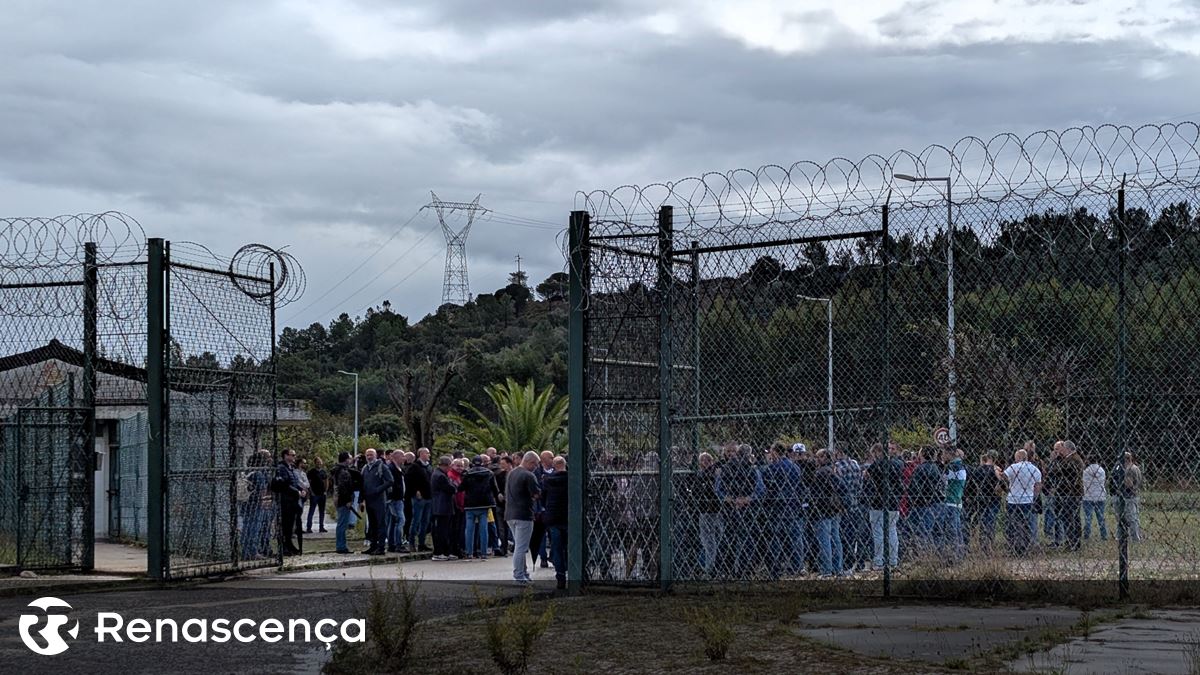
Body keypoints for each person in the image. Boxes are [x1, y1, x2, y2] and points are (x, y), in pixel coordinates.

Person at [761, 442, 805, 578]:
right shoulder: (795, 467)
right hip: (792, 506)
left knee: (775, 540)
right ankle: (797, 566)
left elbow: (767, 488)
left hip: (776, 507)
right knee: (795, 539)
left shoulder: (771, 469)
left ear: (775, 452)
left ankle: (776, 568)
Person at [864, 442, 902, 570]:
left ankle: (879, 561)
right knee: (892, 531)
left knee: (878, 533)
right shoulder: (897, 465)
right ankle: (893, 560)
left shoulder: (875, 466)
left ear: (878, 452)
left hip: (877, 503)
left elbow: (866, 478)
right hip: (893, 502)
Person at [506, 451, 542, 584]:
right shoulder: (529, 475)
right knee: (521, 547)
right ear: (529, 462)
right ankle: (519, 575)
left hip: (510, 514)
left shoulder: (512, 473)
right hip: (524, 514)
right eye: (535, 464)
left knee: (519, 545)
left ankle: (523, 572)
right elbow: (536, 494)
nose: (536, 467)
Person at [811, 449, 845, 577]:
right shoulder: (836, 470)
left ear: (824, 457)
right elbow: (842, 488)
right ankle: (838, 568)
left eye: (818, 457)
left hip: (823, 509)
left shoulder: (821, 473)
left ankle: (827, 569)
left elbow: (815, 493)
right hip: (835, 508)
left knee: (825, 540)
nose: (816, 459)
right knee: (836, 538)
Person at [1003, 448, 1043, 555]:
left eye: (1016, 457)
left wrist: (1008, 488)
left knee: (1013, 524)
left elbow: (1004, 477)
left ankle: (1014, 547)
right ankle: (1026, 547)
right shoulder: (1035, 469)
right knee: (1027, 525)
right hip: (1028, 500)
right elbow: (1038, 486)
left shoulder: (1013, 467)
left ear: (1019, 457)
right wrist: (1033, 496)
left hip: (1013, 500)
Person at [461, 455, 500, 560]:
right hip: (485, 504)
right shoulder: (489, 473)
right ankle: (483, 553)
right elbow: (494, 488)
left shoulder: (468, 474)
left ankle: (469, 553)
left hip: (470, 504)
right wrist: (497, 497)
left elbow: (461, 487)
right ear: (482, 462)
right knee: (484, 529)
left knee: (469, 529)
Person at [906, 447, 943, 559]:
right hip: (933, 503)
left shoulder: (920, 469)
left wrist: (910, 502)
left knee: (921, 532)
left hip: (921, 505)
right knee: (932, 531)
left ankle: (921, 556)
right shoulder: (935, 468)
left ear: (922, 455)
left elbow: (914, 488)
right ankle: (933, 555)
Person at [1048, 440, 1084, 551]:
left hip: (1070, 493)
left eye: (1061, 448)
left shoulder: (1073, 459)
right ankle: (1073, 542)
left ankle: (1072, 542)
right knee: (1072, 517)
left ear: (1067, 448)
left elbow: (1058, 471)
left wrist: (1056, 460)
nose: (1060, 451)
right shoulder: (1071, 459)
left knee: (1070, 518)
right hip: (1069, 492)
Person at [964, 452, 1002, 552]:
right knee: (991, 521)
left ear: (987, 457)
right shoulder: (996, 470)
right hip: (994, 499)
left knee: (983, 520)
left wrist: (971, 496)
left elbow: (971, 485)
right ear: (996, 458)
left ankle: (982, 542)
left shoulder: (978, 470)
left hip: (981, 499)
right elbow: (1002, 483)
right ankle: (989, 544)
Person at [694, 451, 723, 576]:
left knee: (716, 539)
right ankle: (708, 568)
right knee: (709, 542)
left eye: (709, 461)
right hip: (706, 511)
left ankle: (706, 565)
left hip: (718, 511)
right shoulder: (701, 475)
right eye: (703, 461)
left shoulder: (716, 474)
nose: (706, 463)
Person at [359, 448, 393, 556]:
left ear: (376, 455)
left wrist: (378, 489)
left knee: (380, 524)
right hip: (369, 500)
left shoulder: (381, 466)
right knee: (372, 525)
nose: (369, 457)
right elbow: (362, 485)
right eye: (367, 455)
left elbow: (390, 480)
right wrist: (361, 499)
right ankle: (373, 546)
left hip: (379, 500)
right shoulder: (365, 468)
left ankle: (381, 547)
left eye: (371, 455)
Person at [543, 455, 569, 589]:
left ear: (554, 465)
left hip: (553, 517)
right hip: (568, 517)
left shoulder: (548, 481)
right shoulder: (571, 479)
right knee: (570, 547)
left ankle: (560, 576)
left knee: (557, 548)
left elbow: (543, 498)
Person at [272, 448, 305, 555]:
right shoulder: (281, 468)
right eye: (292, 455)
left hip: (293, 500)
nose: (294, 457)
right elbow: (284, 484)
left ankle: (289, 545)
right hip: (286, 501)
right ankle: (284, 547)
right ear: (286, 456)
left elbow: (295, 482)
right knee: (285, 525)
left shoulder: (291, 468)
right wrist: (296, 492)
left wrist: (301, 490)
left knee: (291, 525)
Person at [329, 451, 360, 554]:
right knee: (342, 523)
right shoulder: (343, 472)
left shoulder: (338, 469)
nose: (351, 460)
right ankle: (341, 546)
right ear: (346, 459)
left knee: (341, 523)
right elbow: (343, 487)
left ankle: (341, 545)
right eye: (350, 458)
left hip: (339, 499)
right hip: (343, 500)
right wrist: (347, 500)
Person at [430, 456, 459, 561]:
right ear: (445, 465)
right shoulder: (441, 476)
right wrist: (454, 486)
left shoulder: (438, 474)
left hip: (440, 506)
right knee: (442, 530)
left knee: (442, 530)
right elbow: (451, 488)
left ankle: (443, 551)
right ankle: (440, 551)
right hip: (442, 506)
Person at [941, 448, 967, 563]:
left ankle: (954, 555)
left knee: (952, 530)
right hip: (957, 500)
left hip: (950, 500)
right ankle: (959, 553)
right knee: (957, 529)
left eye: (944, 453)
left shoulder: (952, 467)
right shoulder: (962, 467)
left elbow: (944, 481)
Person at [407, 448, 433, 552]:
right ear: (421, 454)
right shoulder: (414, 466)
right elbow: (408, 480)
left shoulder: (429, 467)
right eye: (427, 453)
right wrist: (415, 491)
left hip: (428, 496)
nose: (429, 455)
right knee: (416, 520)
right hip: (419, 497)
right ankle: (412, 542)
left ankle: (422, 543)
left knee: (425, 521)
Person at [1082, 453, 1108, 541]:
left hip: (1088, 496)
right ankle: (1104, 534)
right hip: (1100, 496)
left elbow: (1084, 483)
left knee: (1088, 517)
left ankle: (1087, 534)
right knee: (1101, 517)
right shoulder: (1102, 470)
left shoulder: (1086, 471)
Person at [385, 449, 407, 553]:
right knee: (400, 520)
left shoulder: (398, 468)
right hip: (394, 499)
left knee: (393, 522)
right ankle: (398, 543)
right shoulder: (391, 468)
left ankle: (392, 544)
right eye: (402, 456)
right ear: (397, 457)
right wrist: (392, 496)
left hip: (399, 498)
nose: (404, 458)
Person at [1118, 452, 1143, 541]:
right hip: (1135, 494)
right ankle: (1138, 535)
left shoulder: (1129, 469)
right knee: (1135, 516)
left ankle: (1135, 537)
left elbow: (1129, 483)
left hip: (1129, 495)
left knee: (1131, 517)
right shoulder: (1136, 467)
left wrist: (1121, 486)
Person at [494, 455, 512, 557]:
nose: (501, 466)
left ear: (509, 464)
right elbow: (495, 487)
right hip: (501, 504)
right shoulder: (499, 475)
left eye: (503, 464)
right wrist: (498, 494)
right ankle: (503, 547)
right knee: (501, 528)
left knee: (511, 527)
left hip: (511, 506)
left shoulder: (515, 474)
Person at [305, 457, 329, 534]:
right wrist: (311, 492)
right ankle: (309, 527)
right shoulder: (311, 472)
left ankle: (321, 527)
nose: (319, 463)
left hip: (322, 494)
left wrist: (325, 491)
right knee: (311, 511)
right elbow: (308, 482)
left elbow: (326, 481)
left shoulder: (323, 472)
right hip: (314, 494)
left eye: (320, 462)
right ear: (315, 463)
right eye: (317, 462)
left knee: (322, 512)